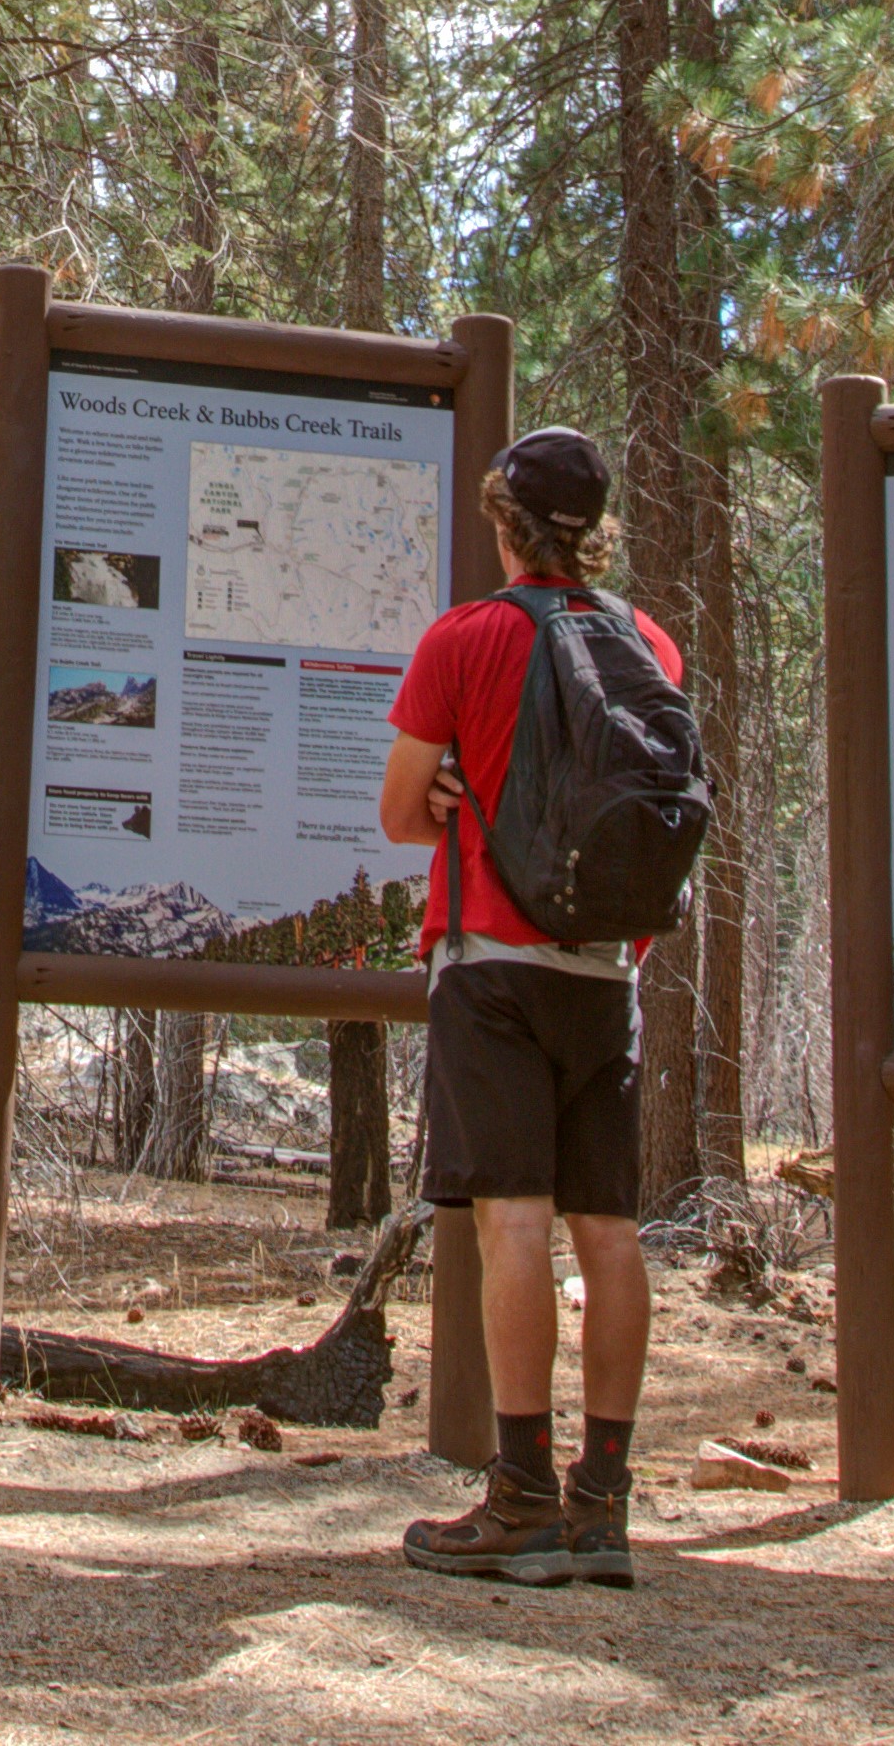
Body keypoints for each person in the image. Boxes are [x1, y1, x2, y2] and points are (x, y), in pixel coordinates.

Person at [375, 424, 680, 1588]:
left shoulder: (462, 638)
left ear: (504, 525)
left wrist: (451, 782)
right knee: (606, 1229)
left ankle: (518, 1497)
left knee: (512, 1220)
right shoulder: (647, 640)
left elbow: (403, 814)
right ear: (592, 529)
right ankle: (602, 1502)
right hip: (604, 968)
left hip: (491, 960)